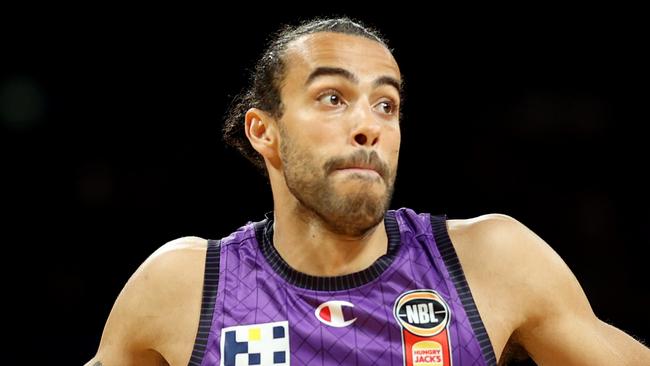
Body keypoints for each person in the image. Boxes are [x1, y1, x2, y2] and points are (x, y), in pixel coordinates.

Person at [85, 17, 649, 366]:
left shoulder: (490, 262)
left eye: (387, 104)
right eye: (332, 97)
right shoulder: (184, 287)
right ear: (265, 131)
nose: (369, 125)